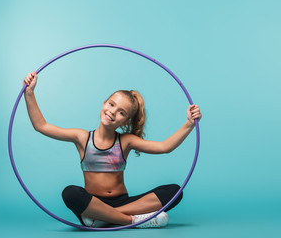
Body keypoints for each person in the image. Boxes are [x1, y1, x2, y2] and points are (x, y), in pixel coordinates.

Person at [23, 71, 202, 228]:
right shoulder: (82, 138)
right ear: (104, 103)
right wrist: (29, 93)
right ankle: (132, 221)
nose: (113, 112)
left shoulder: (125, 141)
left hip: (122, 202)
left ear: (125, 122)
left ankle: (103, 218)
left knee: (174, 191)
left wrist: (188, 124)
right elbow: (41, 126)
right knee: (70, 192)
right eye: (111, 104)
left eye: (122, 113)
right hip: (92, 203)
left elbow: (165, 147)